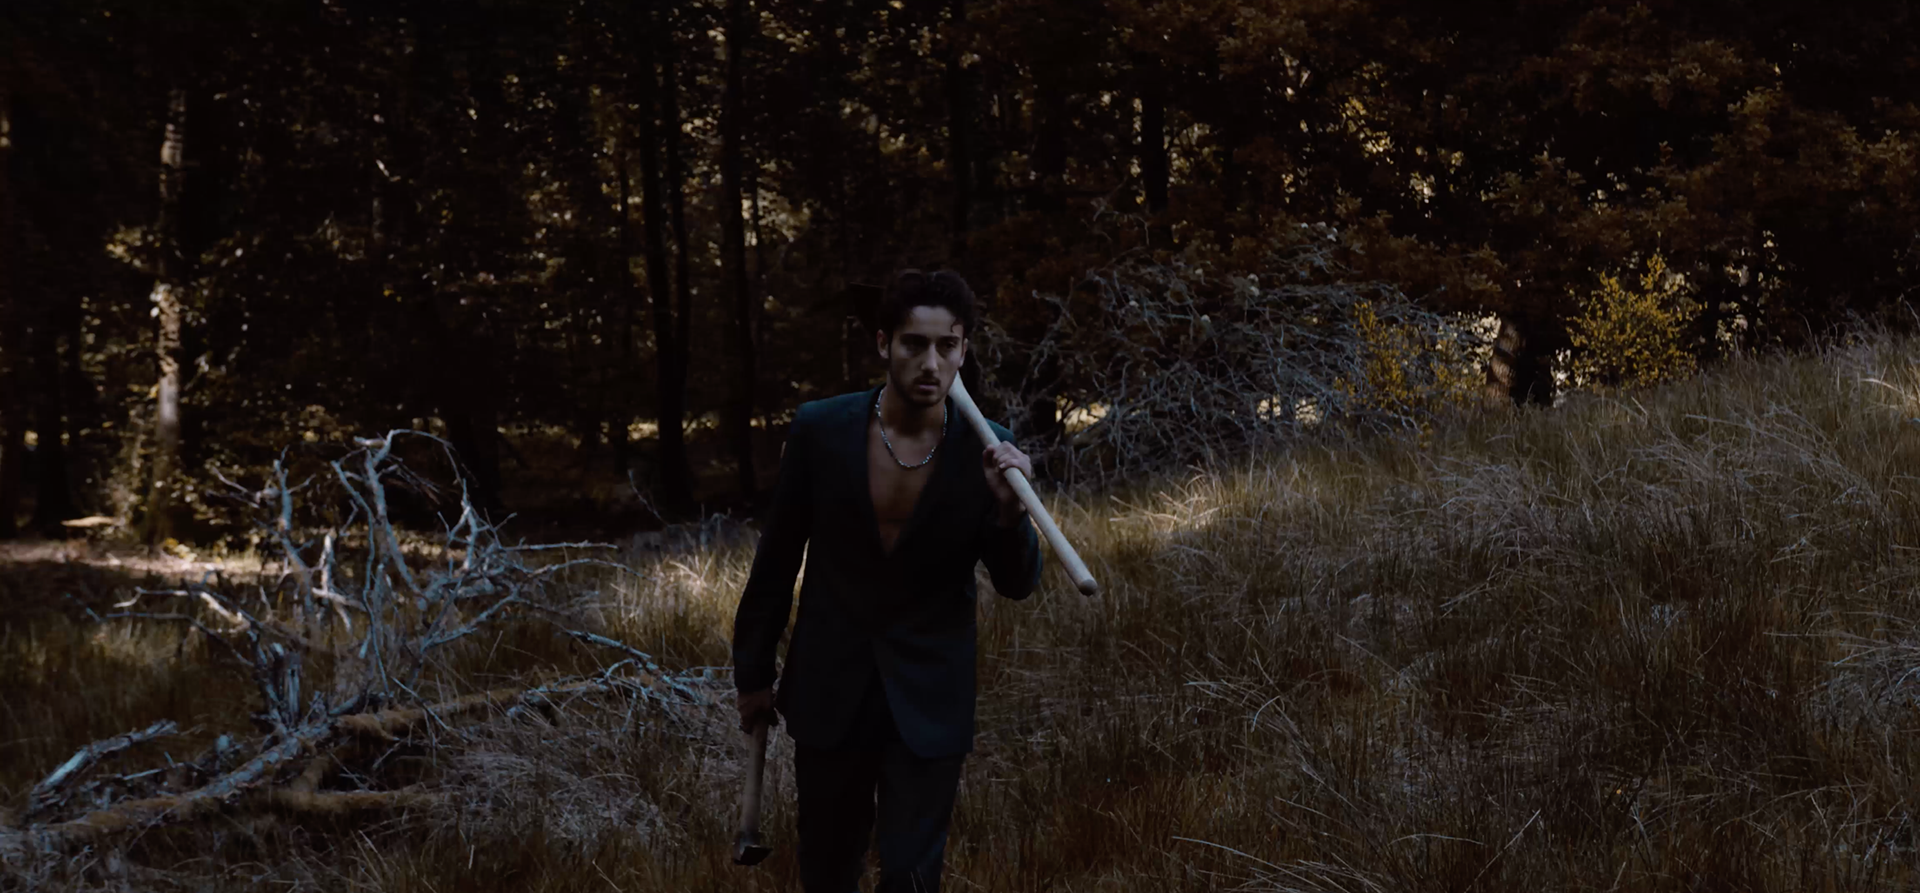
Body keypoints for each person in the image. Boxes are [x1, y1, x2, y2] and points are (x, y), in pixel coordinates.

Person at [732, 268, 1043, 893]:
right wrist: (754, 674)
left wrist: (1009, 512)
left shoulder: (990, 451)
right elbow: (777, 559)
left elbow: (1016, 583)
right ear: (884, 343)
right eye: (914, 344)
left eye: (946, 346)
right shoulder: (821, 430)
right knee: (828, 869)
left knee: (911, 875)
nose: (931, 362)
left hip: (930, 693)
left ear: (964, 350)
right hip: (830, 684)